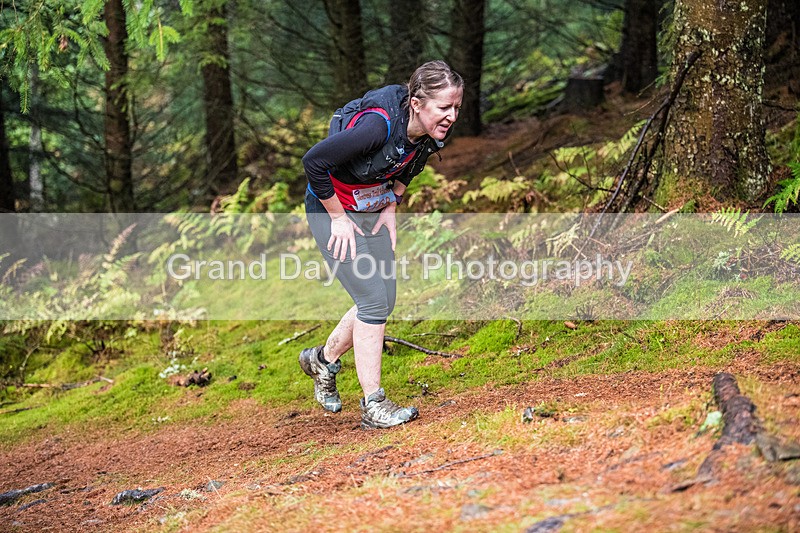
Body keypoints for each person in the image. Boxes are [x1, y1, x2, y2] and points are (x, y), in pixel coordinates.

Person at [298, 60, 464, 429]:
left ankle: (321, 361)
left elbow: (413, 162)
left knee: (382, 299)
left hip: (371, 209)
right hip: (332, 212)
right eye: (444, 108)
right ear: (417, 103)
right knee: (372, 301)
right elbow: (314, 162)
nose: (452, 116)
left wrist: (393, 202)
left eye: (456, 108)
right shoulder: (377, 127)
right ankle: (374, 405)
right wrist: (338, 219)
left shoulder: (434, 128)